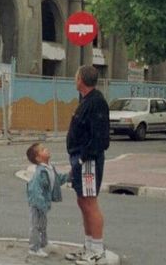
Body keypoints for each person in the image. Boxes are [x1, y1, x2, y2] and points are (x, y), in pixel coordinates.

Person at [65, 65, 110, 264]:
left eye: (76, 76)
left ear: (81, 79)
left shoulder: (97, 102)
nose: (74, 79)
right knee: (82, 201)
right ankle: (88, 246)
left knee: (90, 203)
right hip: (80, 159)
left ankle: (97, 250)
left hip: (88, 161)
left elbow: (101, 138)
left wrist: (83, 158)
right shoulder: (86, 100)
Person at [25, 142, 70, 258]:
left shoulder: (50, 168)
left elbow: (57, 180)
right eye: (43, 149)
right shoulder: (39, 172)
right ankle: (34, 248)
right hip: (37, 204)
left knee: (43, 225)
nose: (47, 149)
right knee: (36, 226)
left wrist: (69, 176)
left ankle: (43, 243)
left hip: (43, 203)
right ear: (38, 158)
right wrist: (41, 205)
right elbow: (34, 190)